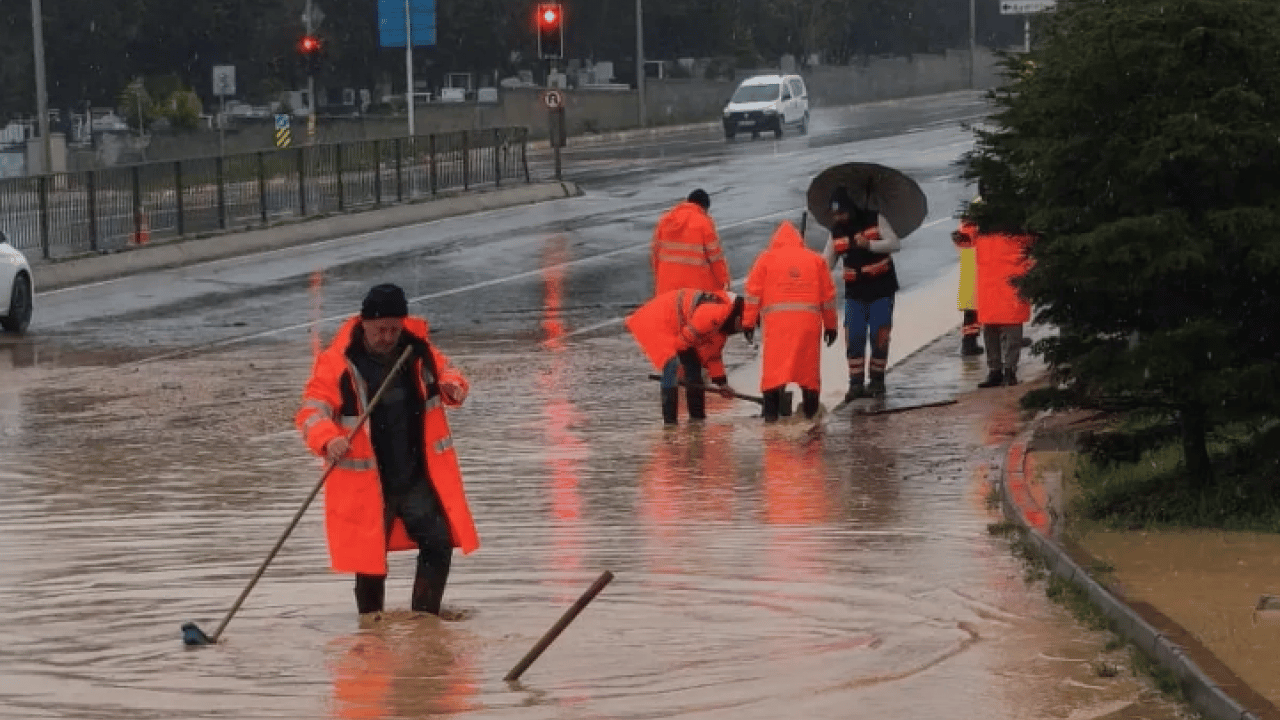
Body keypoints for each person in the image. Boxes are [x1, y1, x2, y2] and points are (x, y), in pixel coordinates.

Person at [295, 283, 480, 617]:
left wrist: (454, 387)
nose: (387, 337)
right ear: (364, 323)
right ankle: (371, 622)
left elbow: (450, 371)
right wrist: (327, 439)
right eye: (381, 330)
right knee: (370, 560)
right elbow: (312, 411)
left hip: (414, 474)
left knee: (438, 542)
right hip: (369, 482)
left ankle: (425, 619)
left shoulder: (417, 350)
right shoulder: (337, 363)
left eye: (394, 329)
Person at [742, 220, 839, 421]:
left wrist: (748, 323)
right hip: (808, 327)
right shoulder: (816, 260)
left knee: (774, 373)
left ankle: (771, 418)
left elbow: (753, 294)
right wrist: (831, 326)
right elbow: (828, 297)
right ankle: (811, 415)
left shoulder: (765, 260)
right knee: (808, 373)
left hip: (777, 329)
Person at [821, 186, 902, 401]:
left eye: (841, 213)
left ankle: (877, 381)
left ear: (850, 209)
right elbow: (824, 264)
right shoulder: (835, 232)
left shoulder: (875, 219)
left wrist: (870, 244)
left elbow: (895, 243)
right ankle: (855, 384)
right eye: (835, 214)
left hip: (881, 289)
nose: (838, 218)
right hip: (855, 293)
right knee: (854, 335)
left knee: (879, 334)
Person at [626, 288, 745, 424]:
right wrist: (682, 370)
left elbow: (712, 357)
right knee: (671, 365)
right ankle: (670, 423)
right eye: (742, 327)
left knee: (694, 369)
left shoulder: (721, 328)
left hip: (678, 326)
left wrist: (722, 384)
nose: (740, 330)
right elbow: (681, 344)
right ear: (737, 317)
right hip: (657, 321)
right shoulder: (712, 313)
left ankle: (697, 419)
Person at [973, 224, 1034, 387]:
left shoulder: (987, 218)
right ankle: (1002, 371)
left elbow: (965, 237)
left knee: (1005, 327)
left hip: (1004, 278)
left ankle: (1003, 370)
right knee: (997, 327)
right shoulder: (984, 218)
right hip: (997, 279)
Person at [650, 189, 731, 296]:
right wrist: (724, 283)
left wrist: (661, 280)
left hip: (666, 290)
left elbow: (655, 256)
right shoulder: (704, 223)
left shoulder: (665, 220)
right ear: (704, 207)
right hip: (694, 292)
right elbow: (715, 260)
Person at [951, 197, 985, 357]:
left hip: (969, 264)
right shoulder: (985, 209)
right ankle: (969, 343)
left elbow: (961, 238)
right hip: (980, 263)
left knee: (972, 307)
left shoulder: (974, 207)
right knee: (979, 306)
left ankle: (969, 342)